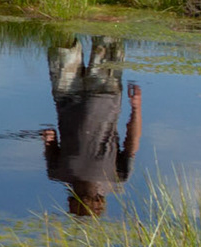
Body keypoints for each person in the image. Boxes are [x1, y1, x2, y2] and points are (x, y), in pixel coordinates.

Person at [42, 35, 141, 217]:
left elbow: (50, 141)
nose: (91, 207)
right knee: (108, 34)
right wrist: (136, 107)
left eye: (78, 210)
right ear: (99, 206)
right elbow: (131, 144)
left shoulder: (57, 172)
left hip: (66, 95)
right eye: (93, 210)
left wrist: (48, 138)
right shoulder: (117, 178)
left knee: (62, 38)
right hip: (105, 93)